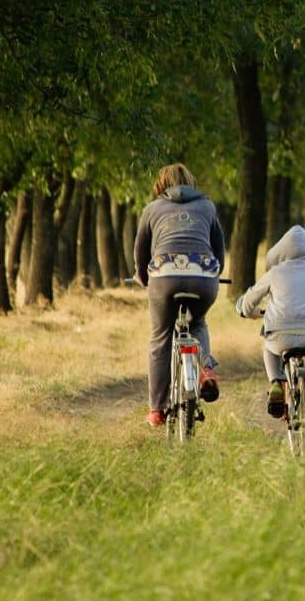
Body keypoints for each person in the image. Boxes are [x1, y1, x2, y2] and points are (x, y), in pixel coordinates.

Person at [133, 163, 224, 427]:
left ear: (161, 184)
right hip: (203, 276)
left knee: (161, 336)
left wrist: (143, 277)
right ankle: (206, 368)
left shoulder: (151, 209)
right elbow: (219, 249)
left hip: (164, 276)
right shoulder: (207, 207)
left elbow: (141, 253)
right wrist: (215, 273)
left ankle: (157, 409)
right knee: (197, 323)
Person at [235, 225, 305, 430]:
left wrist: (243, 309)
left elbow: (249, 301)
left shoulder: (275, 272)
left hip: (280, 337)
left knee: (268, 347)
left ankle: (276, 383)